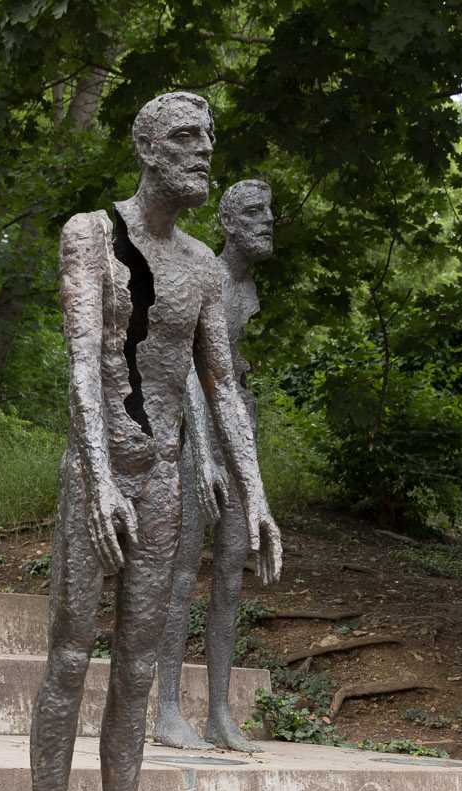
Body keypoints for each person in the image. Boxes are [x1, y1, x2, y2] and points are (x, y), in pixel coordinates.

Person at [28, 92, 281, 791]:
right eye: (186, 136)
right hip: (101, 471)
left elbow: (222, 387)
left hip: (165, 479)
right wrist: (99, 477)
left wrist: (256, 489)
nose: (204, 150)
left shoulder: (204, 266)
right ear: (146, 149)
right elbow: (81, 364)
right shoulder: (90, 235)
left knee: (138, 670)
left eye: (211, 135)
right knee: (70, 655)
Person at [154, 178, 277, 753]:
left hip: (236, 434)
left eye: (269, 211)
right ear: (228, 224)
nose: (268, 221)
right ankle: (169, 708)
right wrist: (202, 453)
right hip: (193, 441)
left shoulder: (248, 292)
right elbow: (186, 370)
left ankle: (220, 714)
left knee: (231, 574)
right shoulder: (210, 280)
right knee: (181, 572)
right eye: (254, 213)